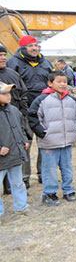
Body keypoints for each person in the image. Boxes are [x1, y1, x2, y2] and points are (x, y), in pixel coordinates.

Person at [28, 72, 76, 206]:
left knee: (67, 167)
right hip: (49, 143)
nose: (63, 84)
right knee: (49, 169)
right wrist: (43, 133)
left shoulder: (71, 100)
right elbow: (33, 117)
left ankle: (68, 190)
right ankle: (49, 193)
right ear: (50, 83)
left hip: (66, 142)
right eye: (59, 81)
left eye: (65, 81)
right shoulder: (42, 99)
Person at [7, 35, 53, 183]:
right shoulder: (13, 63)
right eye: (31, 46)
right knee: (25, 143)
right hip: (24, 111)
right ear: (23, 48)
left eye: (36, 45)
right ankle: (24, 177)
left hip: (44, 109)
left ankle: (43, 174)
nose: (34, 48)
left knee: (45, 142)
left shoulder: (45, 63)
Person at [0, 45, 31, 189]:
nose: (3, 58)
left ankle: (18, 184)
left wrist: (23, 113)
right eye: (0, 55)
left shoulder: (13, 74)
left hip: (15, 117)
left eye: (4, 55)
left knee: (19, 152)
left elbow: (23, 93)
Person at [0, 82, 30, 216]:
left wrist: (23, 140)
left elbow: (21, 127)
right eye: (4, 93)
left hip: (15, 155)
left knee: (18, 183)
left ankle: (21, 206)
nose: (8, 96)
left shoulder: (13, 110)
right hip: (2, 158)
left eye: (9, 93)